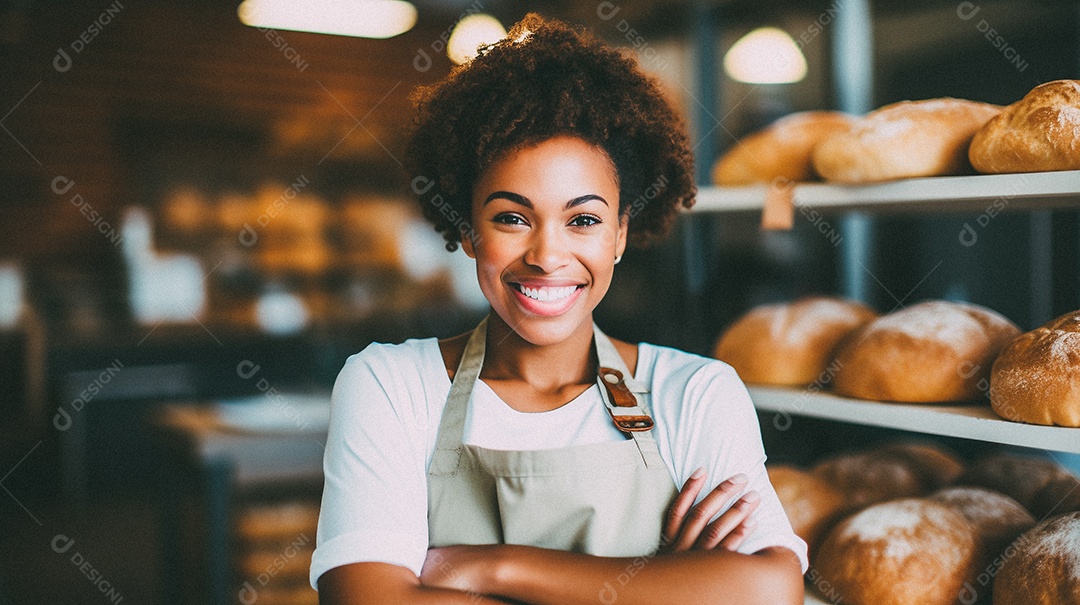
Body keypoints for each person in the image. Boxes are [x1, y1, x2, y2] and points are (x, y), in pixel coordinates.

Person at [311, 14, 807, 605]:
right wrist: (660, 587)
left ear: (621, 234)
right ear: (468, 231)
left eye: (584, 220)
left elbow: (771, 591)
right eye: (512, 218)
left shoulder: (696, 392)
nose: (548, 256)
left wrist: (496, 568)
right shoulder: (390, 386)